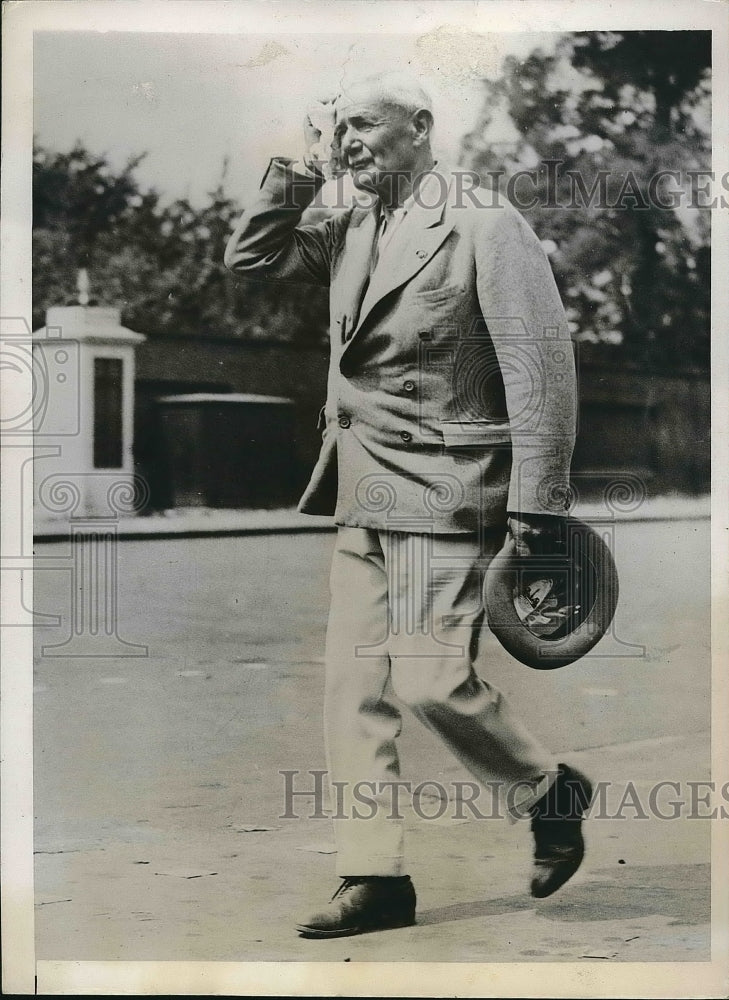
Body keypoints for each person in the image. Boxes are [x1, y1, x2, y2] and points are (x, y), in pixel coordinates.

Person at [224, 70, 593, 939]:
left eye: (361, 126)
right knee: (353, 689)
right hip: (361, 483)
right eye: (337, 129)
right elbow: (253, 258)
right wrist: (302, 166)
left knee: (429, 682)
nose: (348, 142)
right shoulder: (352, 219)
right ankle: (374, 877)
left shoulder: (482, 219)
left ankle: (547, 792)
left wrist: (537, 509)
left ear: (419, 125)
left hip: (447, 484)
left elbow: (540, 366)